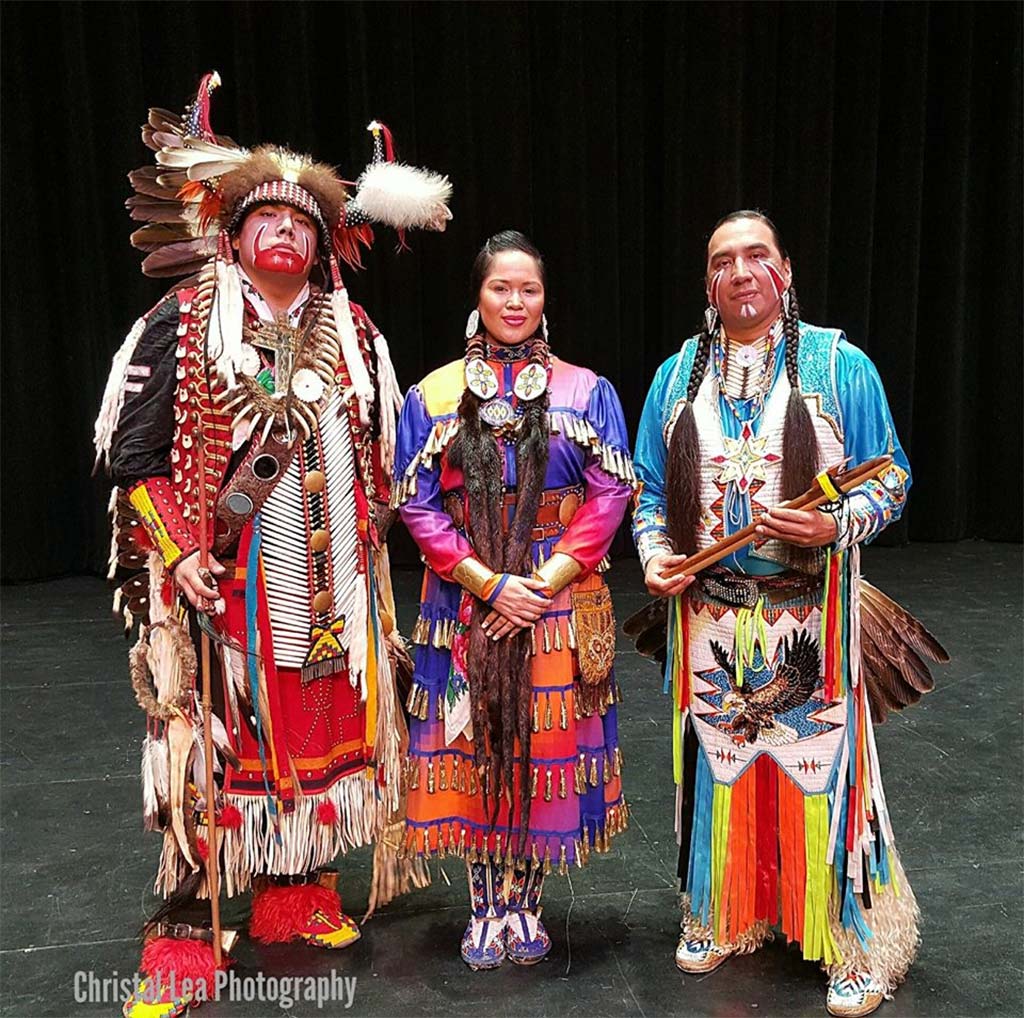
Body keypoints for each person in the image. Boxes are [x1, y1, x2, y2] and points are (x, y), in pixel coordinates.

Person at [93, 73, 451, 1017]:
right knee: (207, 755)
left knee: (322, 738)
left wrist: (373, 542)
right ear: (232, 232)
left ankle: (295, 898)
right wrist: (177, 553)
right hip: (224, 585)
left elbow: (382, 454)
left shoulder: (355, 334)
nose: (287, 233)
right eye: (267, 218)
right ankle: (182, 941)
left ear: (326, 243)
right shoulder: (179, 327)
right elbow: (133, 461)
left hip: (331, 583)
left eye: (303, 222)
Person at [632, 210, 918, 1017]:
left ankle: (856, 939)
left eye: (758, 256)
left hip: (809, 617)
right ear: (708, 284)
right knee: (722, 773)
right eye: (723, 260)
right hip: (711, 616)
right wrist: (656, 555)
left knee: (818, 776)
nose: (741, 271)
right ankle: (729, 910)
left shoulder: (839, 365)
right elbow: (653, 494)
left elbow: (890, 478)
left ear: (784, 271)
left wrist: (834, 524)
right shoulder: (676, 375)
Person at [391, 231, 634, 969]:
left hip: (551, 599)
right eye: (502, 288)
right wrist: (488, 583)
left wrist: (545, 579)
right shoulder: (431, 395)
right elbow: (419, 505)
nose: (516, 301)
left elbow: (610, 491)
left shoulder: (585, 391)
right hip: (464, 598)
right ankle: (483, 904)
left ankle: (524, 904)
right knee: (471, 744)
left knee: (535, 748)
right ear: (478, 296)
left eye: (529, 289)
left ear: (545, 298)